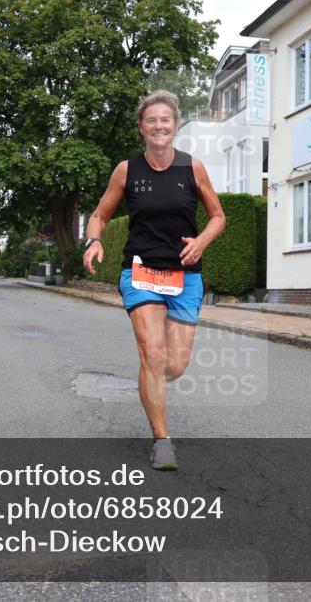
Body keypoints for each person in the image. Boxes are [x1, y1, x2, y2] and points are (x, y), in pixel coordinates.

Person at [83, 90, 225, 470]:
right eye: (151, 120)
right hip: (141, 273)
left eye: (166, 120)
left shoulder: (192, 168)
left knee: (174, 365)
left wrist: (202, 241)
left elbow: (218, 217)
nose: (159, 126)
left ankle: (151, 381)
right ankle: (162, 440)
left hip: (185, 276)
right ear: (141, 128)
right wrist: (94, 240)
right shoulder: (127, 170)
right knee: (154, 354)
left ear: (176, 126)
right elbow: (99, 214)